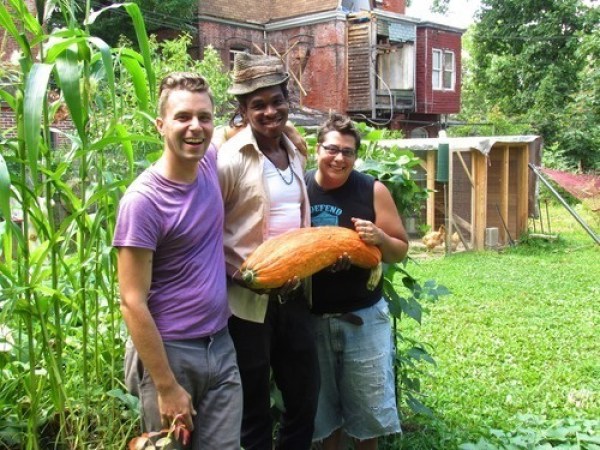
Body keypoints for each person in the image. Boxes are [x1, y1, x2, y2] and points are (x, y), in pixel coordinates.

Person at [113, 72, 242, 449]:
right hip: (170, 355)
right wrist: (167, 385)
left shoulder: (207, 162)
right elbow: (131, 301)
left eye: (204, 117)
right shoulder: (143, 202)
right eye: (183, 117)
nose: (195, 127)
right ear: (160, 125)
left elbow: (233, 132)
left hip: (220, 344)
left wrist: (291, 135)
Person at [217, 53, 319, 450]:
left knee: (304, 397)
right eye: (257, 104)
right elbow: (211, 229)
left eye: (276, 101)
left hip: (293, 295)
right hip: (247, 304)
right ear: (243, 110)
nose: (269, 111)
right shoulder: (229, 159)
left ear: (287, 101)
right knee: (253, 406)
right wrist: (236, 271)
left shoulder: (294, 153)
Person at [305, 114, 409, 450]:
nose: (339, 158)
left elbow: (399, 251)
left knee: (368, 418)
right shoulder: (300, 188)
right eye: (332, 149)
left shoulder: (372, 190)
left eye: (348, 152)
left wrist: (379, 237)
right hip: (312, 318)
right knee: (323, 417)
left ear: (356, 156)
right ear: (317, 148)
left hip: (363, 319)